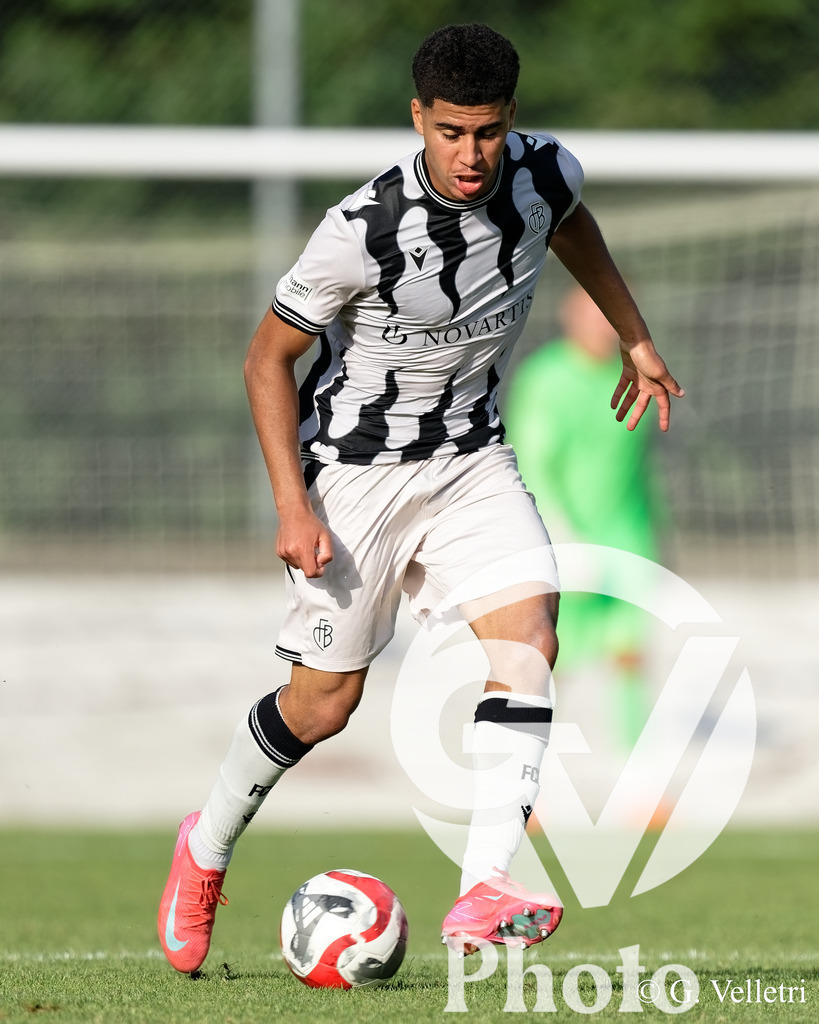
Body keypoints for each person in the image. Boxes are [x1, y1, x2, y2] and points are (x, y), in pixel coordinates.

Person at [157, 22, 684, 973]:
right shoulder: (358, 231)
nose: (469, 153)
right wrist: (291, 504)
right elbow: (265, 359)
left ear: (509, 120)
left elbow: (571, 226)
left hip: (472, 459)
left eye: (485, 131)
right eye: (449, 132)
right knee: (323, 705)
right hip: (357, 476)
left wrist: (632, 334)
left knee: (530, 634)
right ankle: (206, 847)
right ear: (418, 119)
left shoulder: (547, 173)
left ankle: (485, 881)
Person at [506, 285, 663, 753]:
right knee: (553, 661)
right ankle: (527, 779)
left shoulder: (635, 374)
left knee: (630, 655)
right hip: (565, 540)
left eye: (607, 313)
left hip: (628, 536)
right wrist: (565, 538)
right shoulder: (545, 378)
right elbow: (533, 465)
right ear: (568, 314)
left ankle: (638, 784)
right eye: (590, 312)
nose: (600, 322)